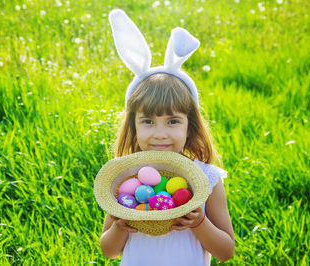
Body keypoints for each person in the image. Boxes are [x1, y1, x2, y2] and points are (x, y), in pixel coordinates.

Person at [99, 9, 234, 265]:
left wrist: (200, 223)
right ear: (134, 127)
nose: (160, 134)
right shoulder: (125, 177)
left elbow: (226, 251)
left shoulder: (206, 179)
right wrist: (119, 225)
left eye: (173, 121)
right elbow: (109, 250)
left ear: (189, 127)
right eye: (148, 121)